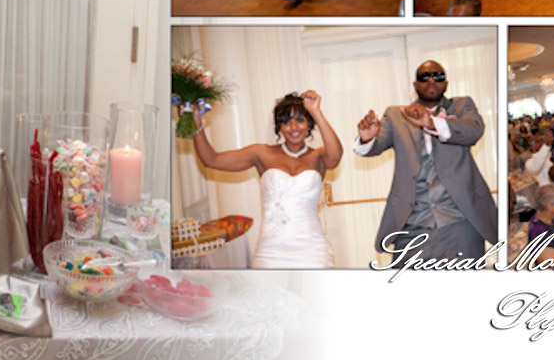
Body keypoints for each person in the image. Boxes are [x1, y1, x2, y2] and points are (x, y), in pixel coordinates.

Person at [354, 61, 497, 261]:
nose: (431, 80)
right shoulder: (396, 115)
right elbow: (375, 146)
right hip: (412, 225)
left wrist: (431, 123)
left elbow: (473, 131)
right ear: (415, 85)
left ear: (446, 84)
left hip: (461, 221)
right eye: (424, 76)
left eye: (438, 77)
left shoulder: (463, 105)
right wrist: (367, 138)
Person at [191, 90, 341, 268]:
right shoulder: (262, 153)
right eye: (286, 122)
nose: (293, 127)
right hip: (272, 251)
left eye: (300, 120)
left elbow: (336, 156)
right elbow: (211, 160)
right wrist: (195, 122)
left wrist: (316, 110)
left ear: (309, 124)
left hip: (313, 250)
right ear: (278, 127)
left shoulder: (319, 156)